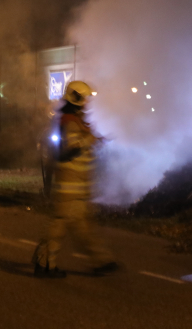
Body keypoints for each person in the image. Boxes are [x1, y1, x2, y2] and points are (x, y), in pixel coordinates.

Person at [33, 81, 119, 278]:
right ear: (76, 98)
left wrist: (96, 140)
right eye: (85, 98)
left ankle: (100, 260)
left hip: (77, 186)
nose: (88, 102)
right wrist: (90, 140)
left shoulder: (73, 120)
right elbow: (72, 147)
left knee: (82, 227)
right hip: (69, 186)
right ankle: (44, 263)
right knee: (59, 227)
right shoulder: (70, 121)